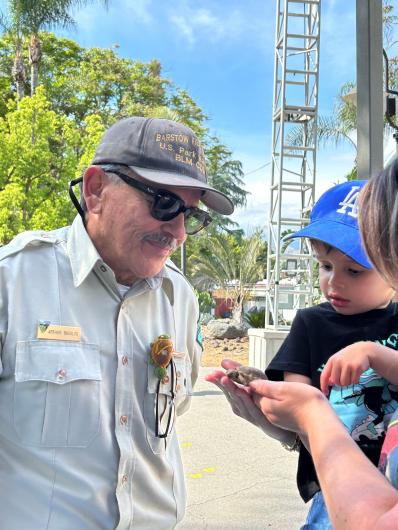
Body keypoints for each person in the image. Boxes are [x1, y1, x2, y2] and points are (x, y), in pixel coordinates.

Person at [0, 116, 234, 530]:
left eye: (190, 214)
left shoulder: (179, 298)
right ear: (95, 190)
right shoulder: (13, 281)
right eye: (163, 203)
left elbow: (171, 411)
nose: (177, 231)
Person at [206, 179, 398, 529]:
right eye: (325, 266)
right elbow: (298, 406)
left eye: (354, 270)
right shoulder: (310, 323)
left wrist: (374, 353)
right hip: (333, 481)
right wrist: (263, 395)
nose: (334, 282)